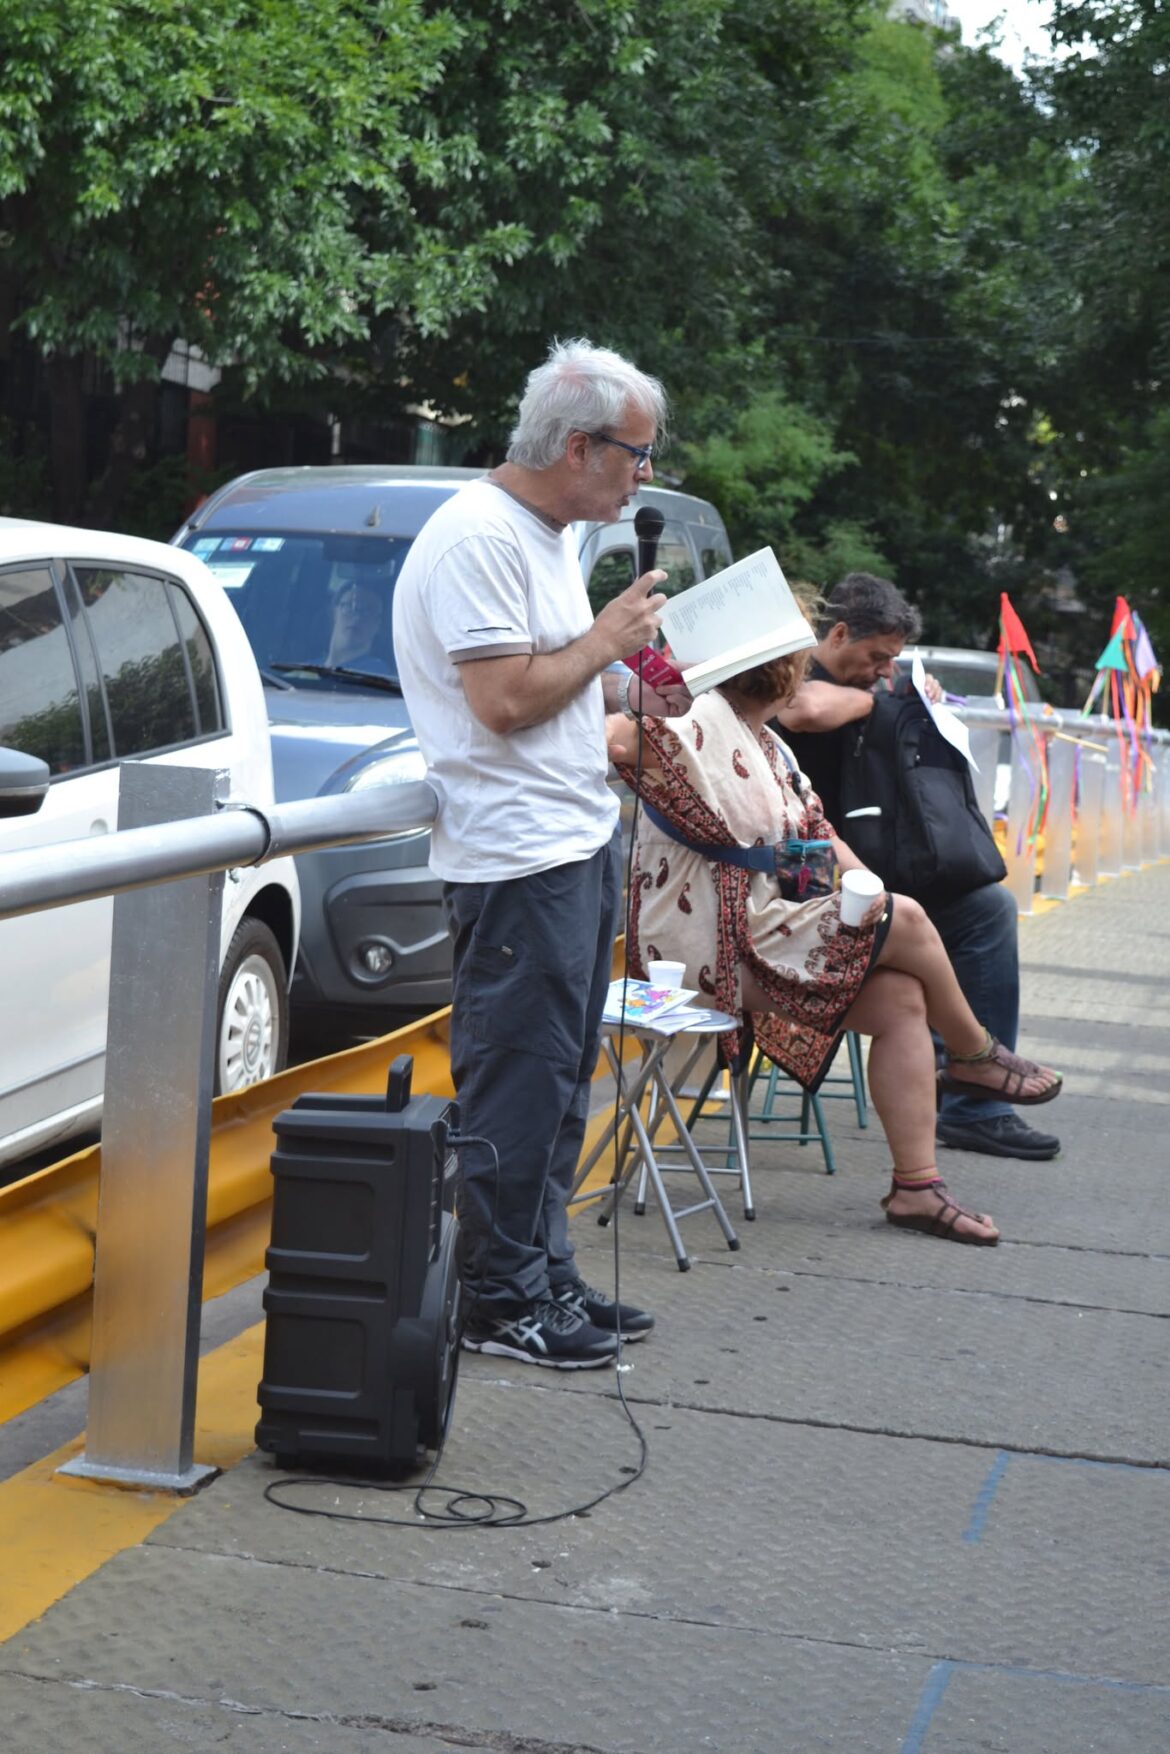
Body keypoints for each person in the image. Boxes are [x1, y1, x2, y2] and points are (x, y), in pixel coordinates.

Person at [392, 337, 691, 1369]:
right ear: (578, 445)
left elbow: (557, 675)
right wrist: (608, 644)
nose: (643, 475)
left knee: (562, 1079)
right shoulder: (480, 536)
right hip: (515, 857)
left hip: (569, 840)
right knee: (519, 1079)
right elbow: (505, 697)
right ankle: (499, 1297)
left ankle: (542, 1265)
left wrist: (628, 686)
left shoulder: (547, 534)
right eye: (636, 455)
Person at [605, 637, 1063, 1246]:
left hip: (753, 930)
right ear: (787, 680)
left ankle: (916, 1188)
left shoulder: (770, 747)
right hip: (698, 948)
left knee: (902, 1001)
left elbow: (818, 839)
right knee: (910, 919)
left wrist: (857, 881)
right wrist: (636, 684)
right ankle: (975, 1055)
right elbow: (613, 737)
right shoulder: (695, 718)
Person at [772, 573, 1060, 1163]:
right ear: (840, 633)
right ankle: (968, 1063)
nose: (883, 670)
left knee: (988, 908)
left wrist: (913, 704)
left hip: (867, 866)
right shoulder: (790, 669)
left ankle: (973, 1101)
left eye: (892, 662)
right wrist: (884, 703)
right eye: (877, 657)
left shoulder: (871, 684)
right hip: (801, 874)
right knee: (916, 922)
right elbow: (801, 709)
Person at [323, 573, 391, 674]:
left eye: (368, 612)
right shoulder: (306, 669)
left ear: (378, 625)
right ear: (334, 613)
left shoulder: (377, 676)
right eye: (350, 607)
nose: (357, 617)